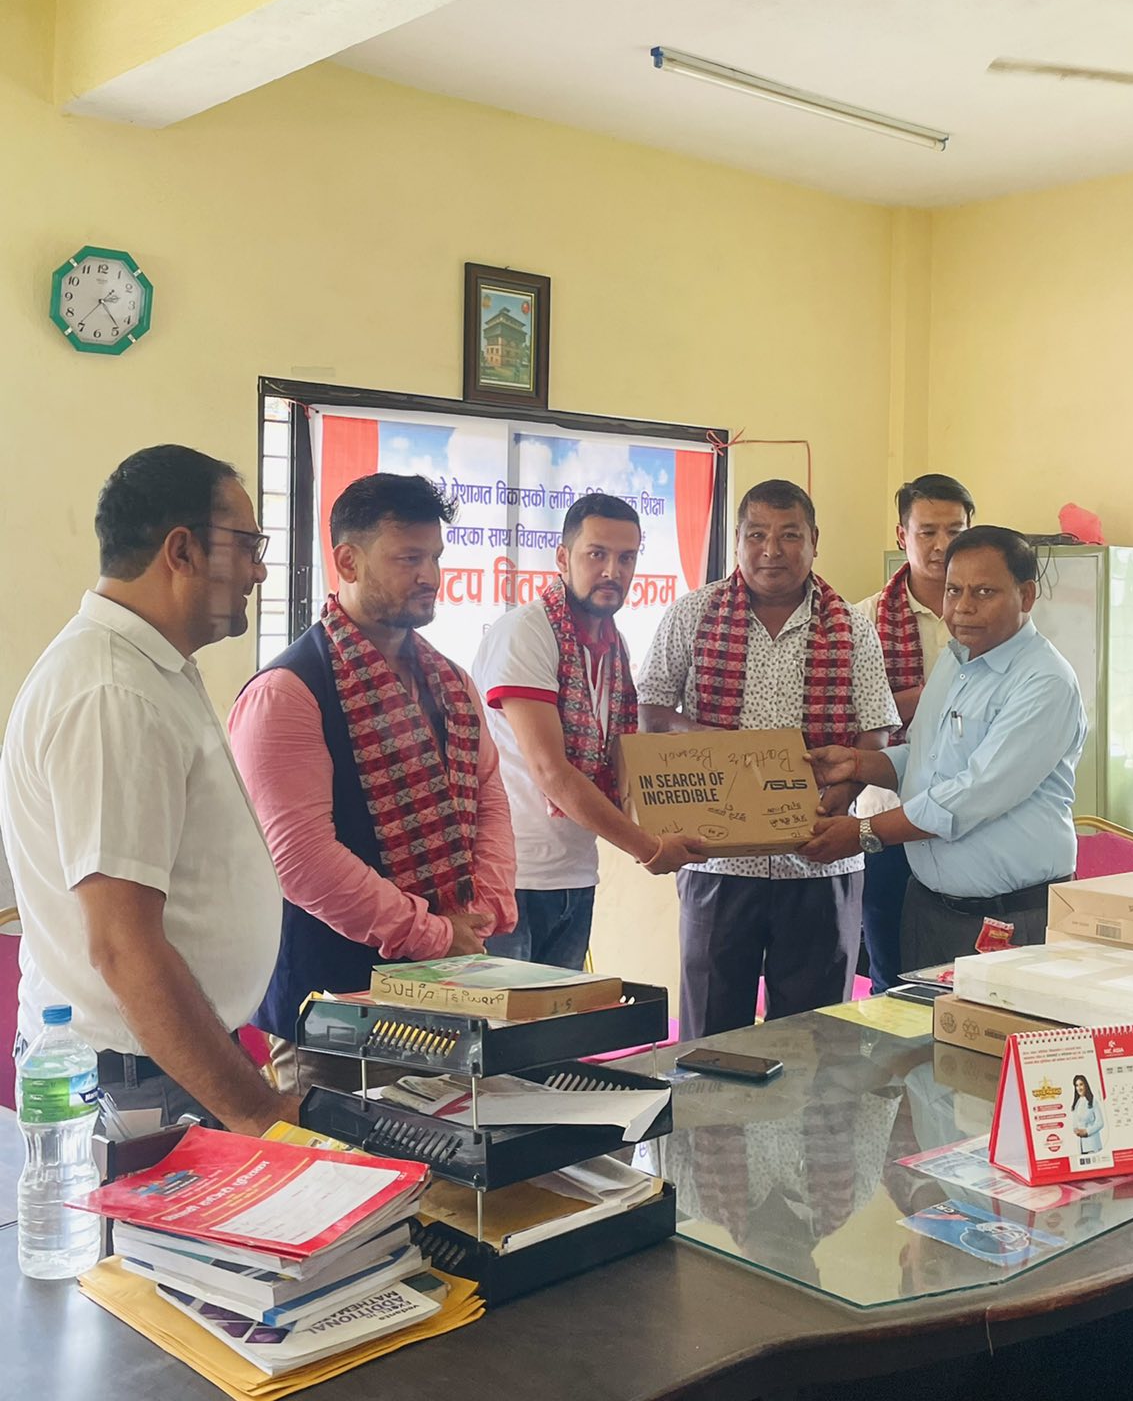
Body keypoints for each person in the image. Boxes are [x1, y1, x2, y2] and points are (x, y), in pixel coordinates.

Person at [0, 446, 295, 1133]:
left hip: (171, 1066)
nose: (260, 569)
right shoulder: (113, 692)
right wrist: (256, 1111)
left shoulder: (148, 668)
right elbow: (123, 946)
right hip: (141, 1081)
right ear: (183, 551)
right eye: (248, 546)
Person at [228, 473, 517, 1095]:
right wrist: (432, 934)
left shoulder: (450, 681)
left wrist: (483, 907)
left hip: (449, 997)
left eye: (435, 556)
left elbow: (489, 799)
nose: (430, 576)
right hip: (333, 1018)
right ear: (347, 560)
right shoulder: (288, 692)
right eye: (408, 558)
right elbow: (301, 860)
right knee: (344, 1185)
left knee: (447, 1184)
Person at [637, 479, 899, 1042]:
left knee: (814, 1039)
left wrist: (836, 805)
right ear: (736, 542)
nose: (771, 551)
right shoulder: (692, 614)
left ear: (814, 542)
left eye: (789, 536)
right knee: (711, 1033)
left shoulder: (852, 626)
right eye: (756, 535)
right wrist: (723, 750)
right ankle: (707, 1134)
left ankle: (810, 1136)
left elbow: (874, 730)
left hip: (822, 858)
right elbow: (653, 713)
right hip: (717, 860)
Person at [806, 526, 1086, 969]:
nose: (962, 607)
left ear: (1027, 596)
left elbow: (972, 794)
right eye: (954, 590)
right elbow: (924, 760)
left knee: (997, 1038)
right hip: (930, 908)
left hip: (1009, 919)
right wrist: (858, 763)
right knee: (922, 1034)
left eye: (984, 591)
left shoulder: (1043, 680)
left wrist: (863, 833)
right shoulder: (955, 661)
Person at [472, 493, 705, 969]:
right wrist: (649, 847)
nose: (612, 571)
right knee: (502, 1037)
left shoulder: (610, 642)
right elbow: (550, 771)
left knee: (560, 1035)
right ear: (562, 558)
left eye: (626, 558)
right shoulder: (527, 632)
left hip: (575, 872)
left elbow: (617, 754)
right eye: (596, 554)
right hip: (512, 879)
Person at [854, 473, 975, 991]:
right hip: (886, 818)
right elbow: (856, 721)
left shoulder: (987, 613)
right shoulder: (862, 619)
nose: (942, 544)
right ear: (903, 535)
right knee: (892, 977)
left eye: (954, 529)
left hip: (970, 815)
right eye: (927, 531)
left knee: (971, 981)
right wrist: (934, 700)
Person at [1072, 1075, 1104, 1155]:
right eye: (1077, 1085)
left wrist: (1087, 1131)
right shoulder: (1077, 1103)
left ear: (1086, 1085)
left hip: (1092, 1144)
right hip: (1081, 1146)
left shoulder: (1093, 1101)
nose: (1079, 1088)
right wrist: (1075, 1129)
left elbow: (1100, 1123)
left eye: (1081, 1084)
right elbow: (1075, 1122)